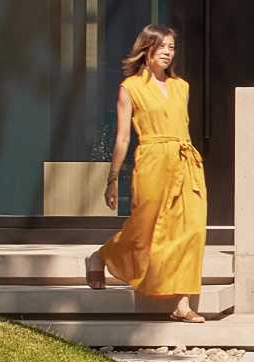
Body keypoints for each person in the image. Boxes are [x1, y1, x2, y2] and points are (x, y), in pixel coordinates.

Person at [84, 23, 207, 323]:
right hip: (152, 161)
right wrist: (112, 179)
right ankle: (101, 255)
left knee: (191, 231)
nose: (168, 52)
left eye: (172, 47)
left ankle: (182, 302)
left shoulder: (182, 87)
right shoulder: (131, 88)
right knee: (143, 228)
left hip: (185, 162)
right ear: (146, 49)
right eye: (162, 46)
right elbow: (123, 137)